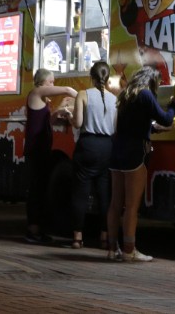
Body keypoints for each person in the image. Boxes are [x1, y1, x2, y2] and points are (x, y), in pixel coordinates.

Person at [106, 65, 175, 262]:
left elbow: (132, 124)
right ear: (152, 81)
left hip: (116, 152)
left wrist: (155, 130)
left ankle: (112, 249)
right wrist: (174, 105)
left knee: (115, 203)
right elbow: (165, 118)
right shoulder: (146, 94)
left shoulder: (125, 95)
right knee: (132, 206)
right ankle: (130, 251)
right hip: (135, 153)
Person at [68, 61, 117, 249]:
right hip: (107, 147)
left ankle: (77, 238)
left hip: (87, 146)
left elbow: (78, 123)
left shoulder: (83, 94)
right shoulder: (115, 99)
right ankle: (104, 237)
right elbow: (115, 128)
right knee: (105, 195)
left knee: (80, 194)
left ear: (91, 77)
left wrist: (69, 117)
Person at [24, 68, 76, 243]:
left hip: (42, 148)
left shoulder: (43, 100)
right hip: (36, 149)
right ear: (43, 82)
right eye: (51, 82)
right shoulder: (36, 93)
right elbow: (67, 90)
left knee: (41, 188)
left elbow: (48, 122)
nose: (53, 85)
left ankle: (38, 228)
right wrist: (83, 98)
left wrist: (59, 110)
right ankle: (33, 231)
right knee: (36, 189)